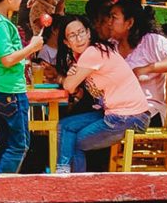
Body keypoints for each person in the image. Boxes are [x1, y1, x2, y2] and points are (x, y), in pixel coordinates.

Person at [56, 16, 152, 173]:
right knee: (64, 125)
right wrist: (72, 73)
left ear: (89, 33)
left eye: (81, 32)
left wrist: (63, 78)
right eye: (72, 35)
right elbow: (73, 89)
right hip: (117, 114)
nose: (79, 38)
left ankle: (69, 180)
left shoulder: (93, 52)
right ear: (66, 42)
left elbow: (69, 86)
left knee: (74, 142)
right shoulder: (85, 56)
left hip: (129, 117)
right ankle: (63, 172)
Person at [0, 0, 45, 174]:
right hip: (11, 91)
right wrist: (32, 48)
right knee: (19, 145)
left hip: (0, 88)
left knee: (5, 142)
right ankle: (2, 183)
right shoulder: (1, 24)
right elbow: (7, 59)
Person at [110, 0, 167, 122]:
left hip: (148, 112)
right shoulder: (111, 45)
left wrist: (148, 69)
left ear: (129, 23)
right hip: (116, 111)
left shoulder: (151, 41)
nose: (109, 22)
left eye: (114, 18)